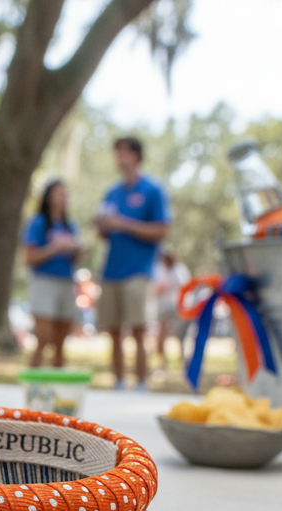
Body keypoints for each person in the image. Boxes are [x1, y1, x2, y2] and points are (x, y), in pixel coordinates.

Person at [94, 136, 170, 390]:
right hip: (111, 271)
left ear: (136, 156)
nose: (119, 158)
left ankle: (141, 383)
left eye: (124, 153)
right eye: (116, 153)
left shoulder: (152, 190)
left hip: (139, 270)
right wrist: (103, 227)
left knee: (138, 330)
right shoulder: (112, 193)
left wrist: (123, 223)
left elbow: (161, 230)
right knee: (113, 331)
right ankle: (117, 381)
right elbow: (105, 233)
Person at [21, 180, 81, 367]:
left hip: (66, 282)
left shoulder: (70, 226)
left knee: (60, 343)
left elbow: (75, 259)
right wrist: (55, 248)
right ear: (48, 197)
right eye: (59, 193)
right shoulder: (38, 223)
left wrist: (76, 250)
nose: (63, 197)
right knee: (44, 338)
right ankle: (33, 384)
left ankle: (59, 386)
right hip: (44, 283)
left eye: (66, 193)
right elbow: (29, 257)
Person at [152, 250, 191, 373]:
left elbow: (185, 287)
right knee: (161, 335)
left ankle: (184, 362)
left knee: (181, 335)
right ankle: (162, 364)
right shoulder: (160, 269)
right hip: (163, 307)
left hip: (177, 307)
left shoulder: (179, 269)